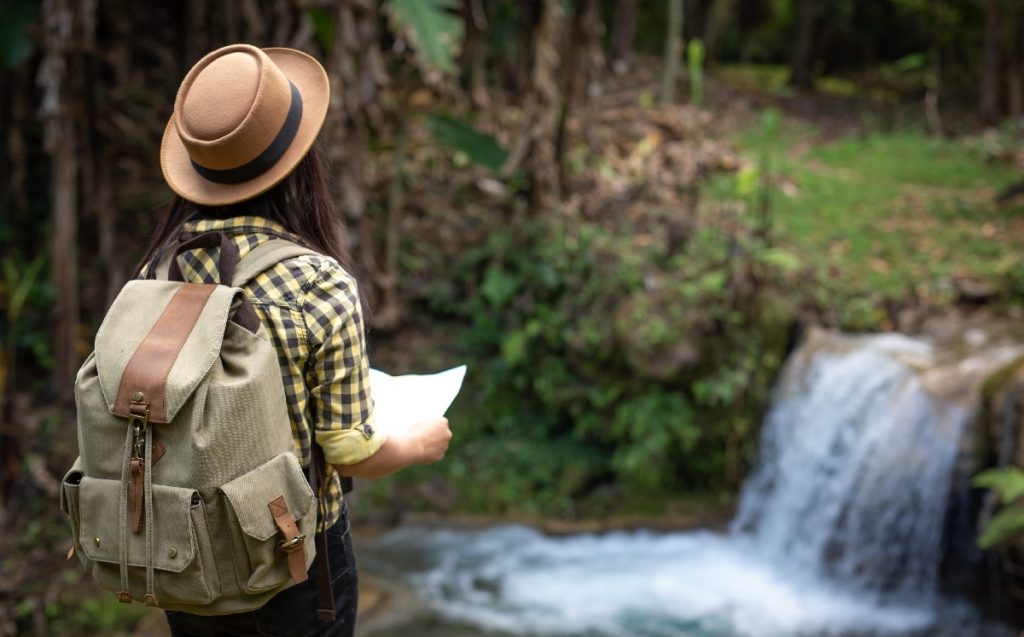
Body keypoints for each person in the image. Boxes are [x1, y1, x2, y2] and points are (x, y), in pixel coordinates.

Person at [132, 43, 453, 637]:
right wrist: (418, 444)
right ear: (302, 162)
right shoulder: (317, 281)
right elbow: (349, 450)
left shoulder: (158, 270)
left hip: (185, 554)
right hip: (298, 564)